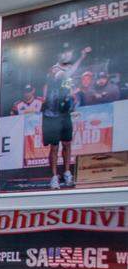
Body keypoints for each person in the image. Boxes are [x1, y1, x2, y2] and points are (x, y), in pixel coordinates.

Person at [41, 43, 91, 189]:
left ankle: (67, 172)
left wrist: (71, 96)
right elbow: (63, 76)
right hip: (51, 115)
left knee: (67, 144)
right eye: (65, 53)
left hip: (64, 114)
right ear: (60, 56)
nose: (67, 55)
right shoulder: (54, 69)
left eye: (70, 52)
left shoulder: (68, 72)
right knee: (54, 147)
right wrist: (81, 58)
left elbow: (67, 86)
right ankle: (54, 177)